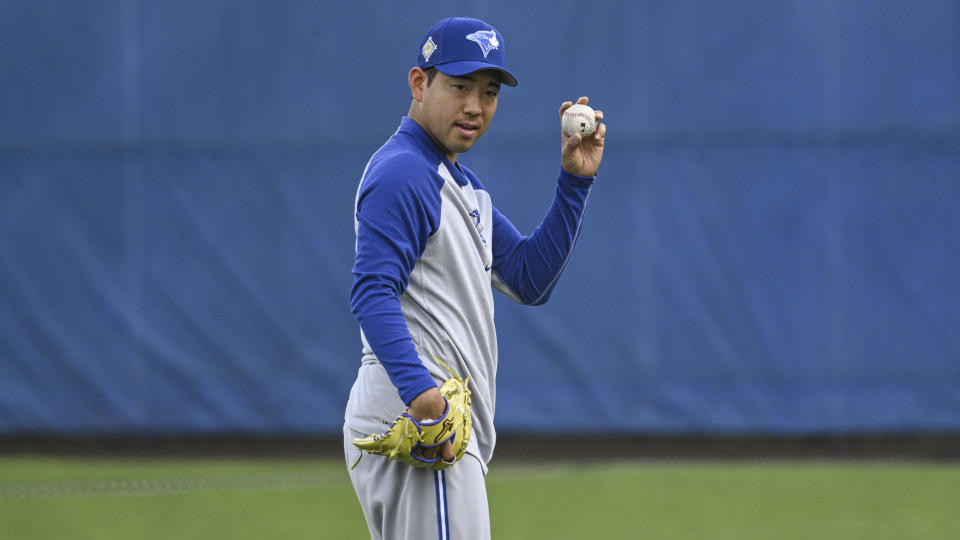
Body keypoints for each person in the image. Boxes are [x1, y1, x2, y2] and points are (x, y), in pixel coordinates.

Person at [343, 16, 605, 540]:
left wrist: (575, 182)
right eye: (460, 86)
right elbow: (372, 291)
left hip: (433, 420)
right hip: (421, 422)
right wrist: (424, 398)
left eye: (488, 93)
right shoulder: (403, 172)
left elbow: (530, 279)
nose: (475, 106)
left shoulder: (455, 181)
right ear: (420, 83)